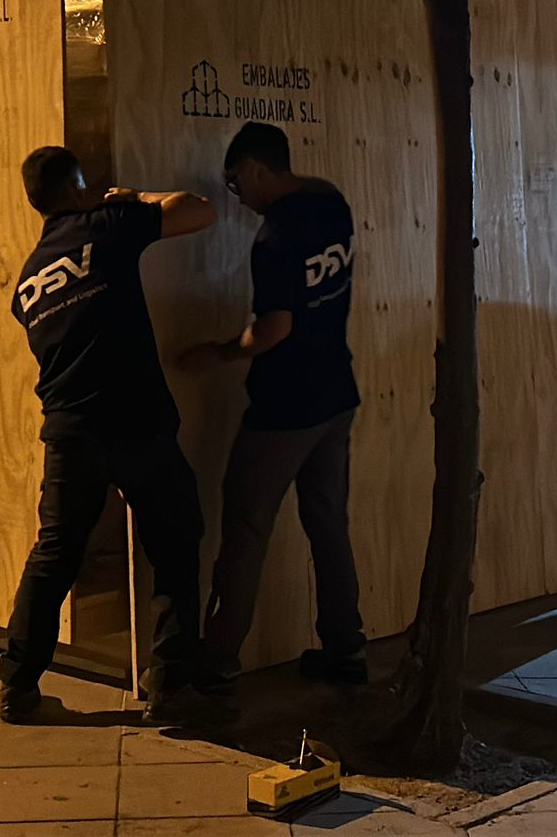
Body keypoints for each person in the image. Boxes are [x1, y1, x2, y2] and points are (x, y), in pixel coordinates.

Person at [0, 146, 222, 727]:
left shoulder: (27, 282)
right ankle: (172, 687)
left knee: (55, 555)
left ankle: (16, 686)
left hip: (70, 432)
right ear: (77, 191)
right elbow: (200, 210)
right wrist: (131, 197)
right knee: (175, 540)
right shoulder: (107, 223)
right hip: (134, 420)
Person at [181, 122, 365, 692]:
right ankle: (345, 649)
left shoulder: (274, 240)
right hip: (336, 396)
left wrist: (217, 352)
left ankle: (217, 662)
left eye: (238, 184)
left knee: (245, 528)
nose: (240, 198)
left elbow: (274, 329)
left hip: (285, 409)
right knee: (329, 525)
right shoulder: (331, 201)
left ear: (259, 169)